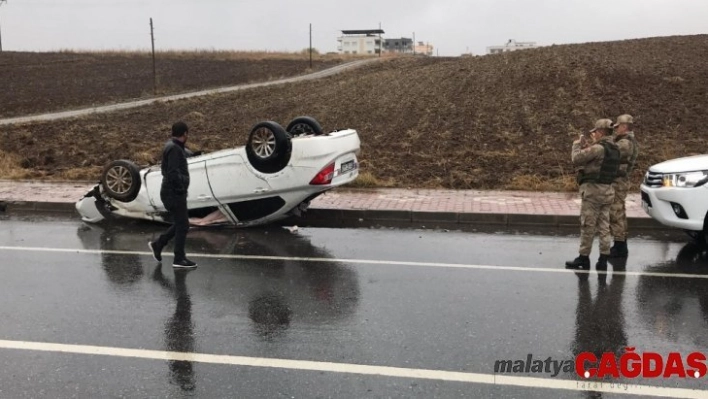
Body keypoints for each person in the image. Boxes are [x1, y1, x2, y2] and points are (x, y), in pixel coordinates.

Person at [566, 119, 620, 271]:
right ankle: (603, 259)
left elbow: (576, 159)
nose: (593, 134)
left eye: (595, 132)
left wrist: (577, 144)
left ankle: (584, 258)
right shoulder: (615, 148)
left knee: (588, 225)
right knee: (604, 226)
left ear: (601, 132)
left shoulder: (598, 148)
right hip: (608, 191)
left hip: (593, 192)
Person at [148, 121, 198, 269]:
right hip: (174, 193)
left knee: (181, 223)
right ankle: (179, 258)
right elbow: (172, 173)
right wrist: (182, 185)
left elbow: (179, 158)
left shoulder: (173, 146)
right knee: (183, 225)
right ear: (185, 134)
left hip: (171, 192)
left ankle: (159, 244)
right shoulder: (174, 149)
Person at [609, 114, 639, 258]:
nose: (616, 129)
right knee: (619, 212)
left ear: (625, 126)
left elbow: (611, 153)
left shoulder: (625, 143)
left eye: (618, 126)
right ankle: (620, 243)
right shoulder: (624, 141)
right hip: (619, 181)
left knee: (616, 213)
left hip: (618, 182)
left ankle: (619, 245)